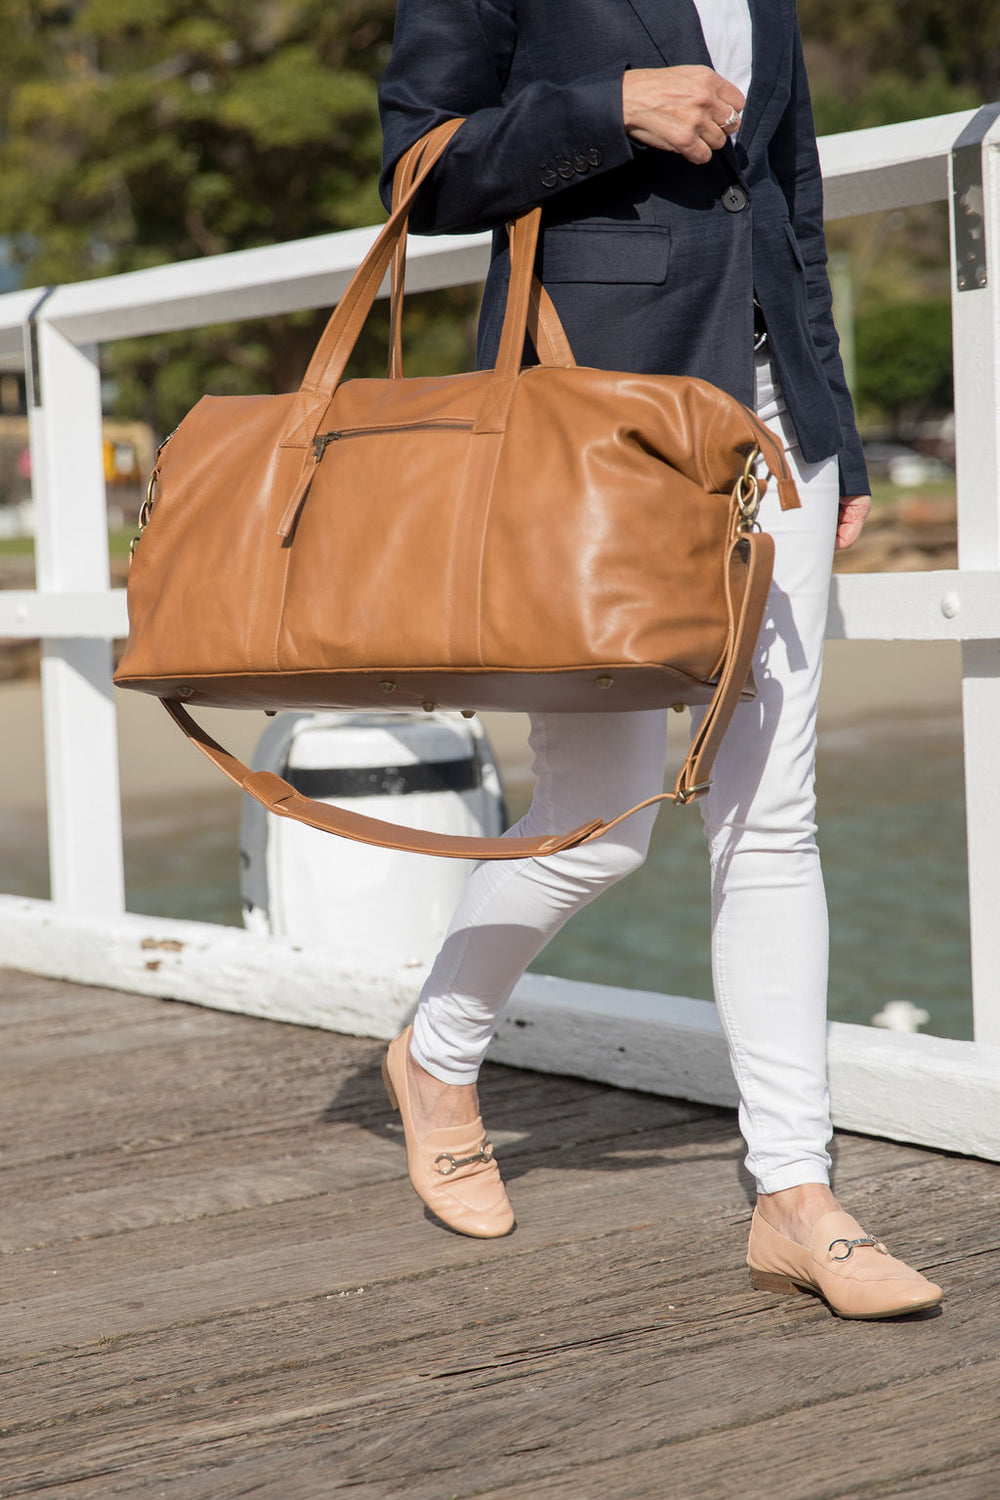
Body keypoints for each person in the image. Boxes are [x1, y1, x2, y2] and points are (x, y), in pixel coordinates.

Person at [376, 0, 943, 1319]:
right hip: (600, 418)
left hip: (775, 426)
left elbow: (789, 194)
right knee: (599, 823)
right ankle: (438, 1052)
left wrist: (836, 428)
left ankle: (795, 1193)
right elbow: (419, 168)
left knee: (773, 816)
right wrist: (608, 109)